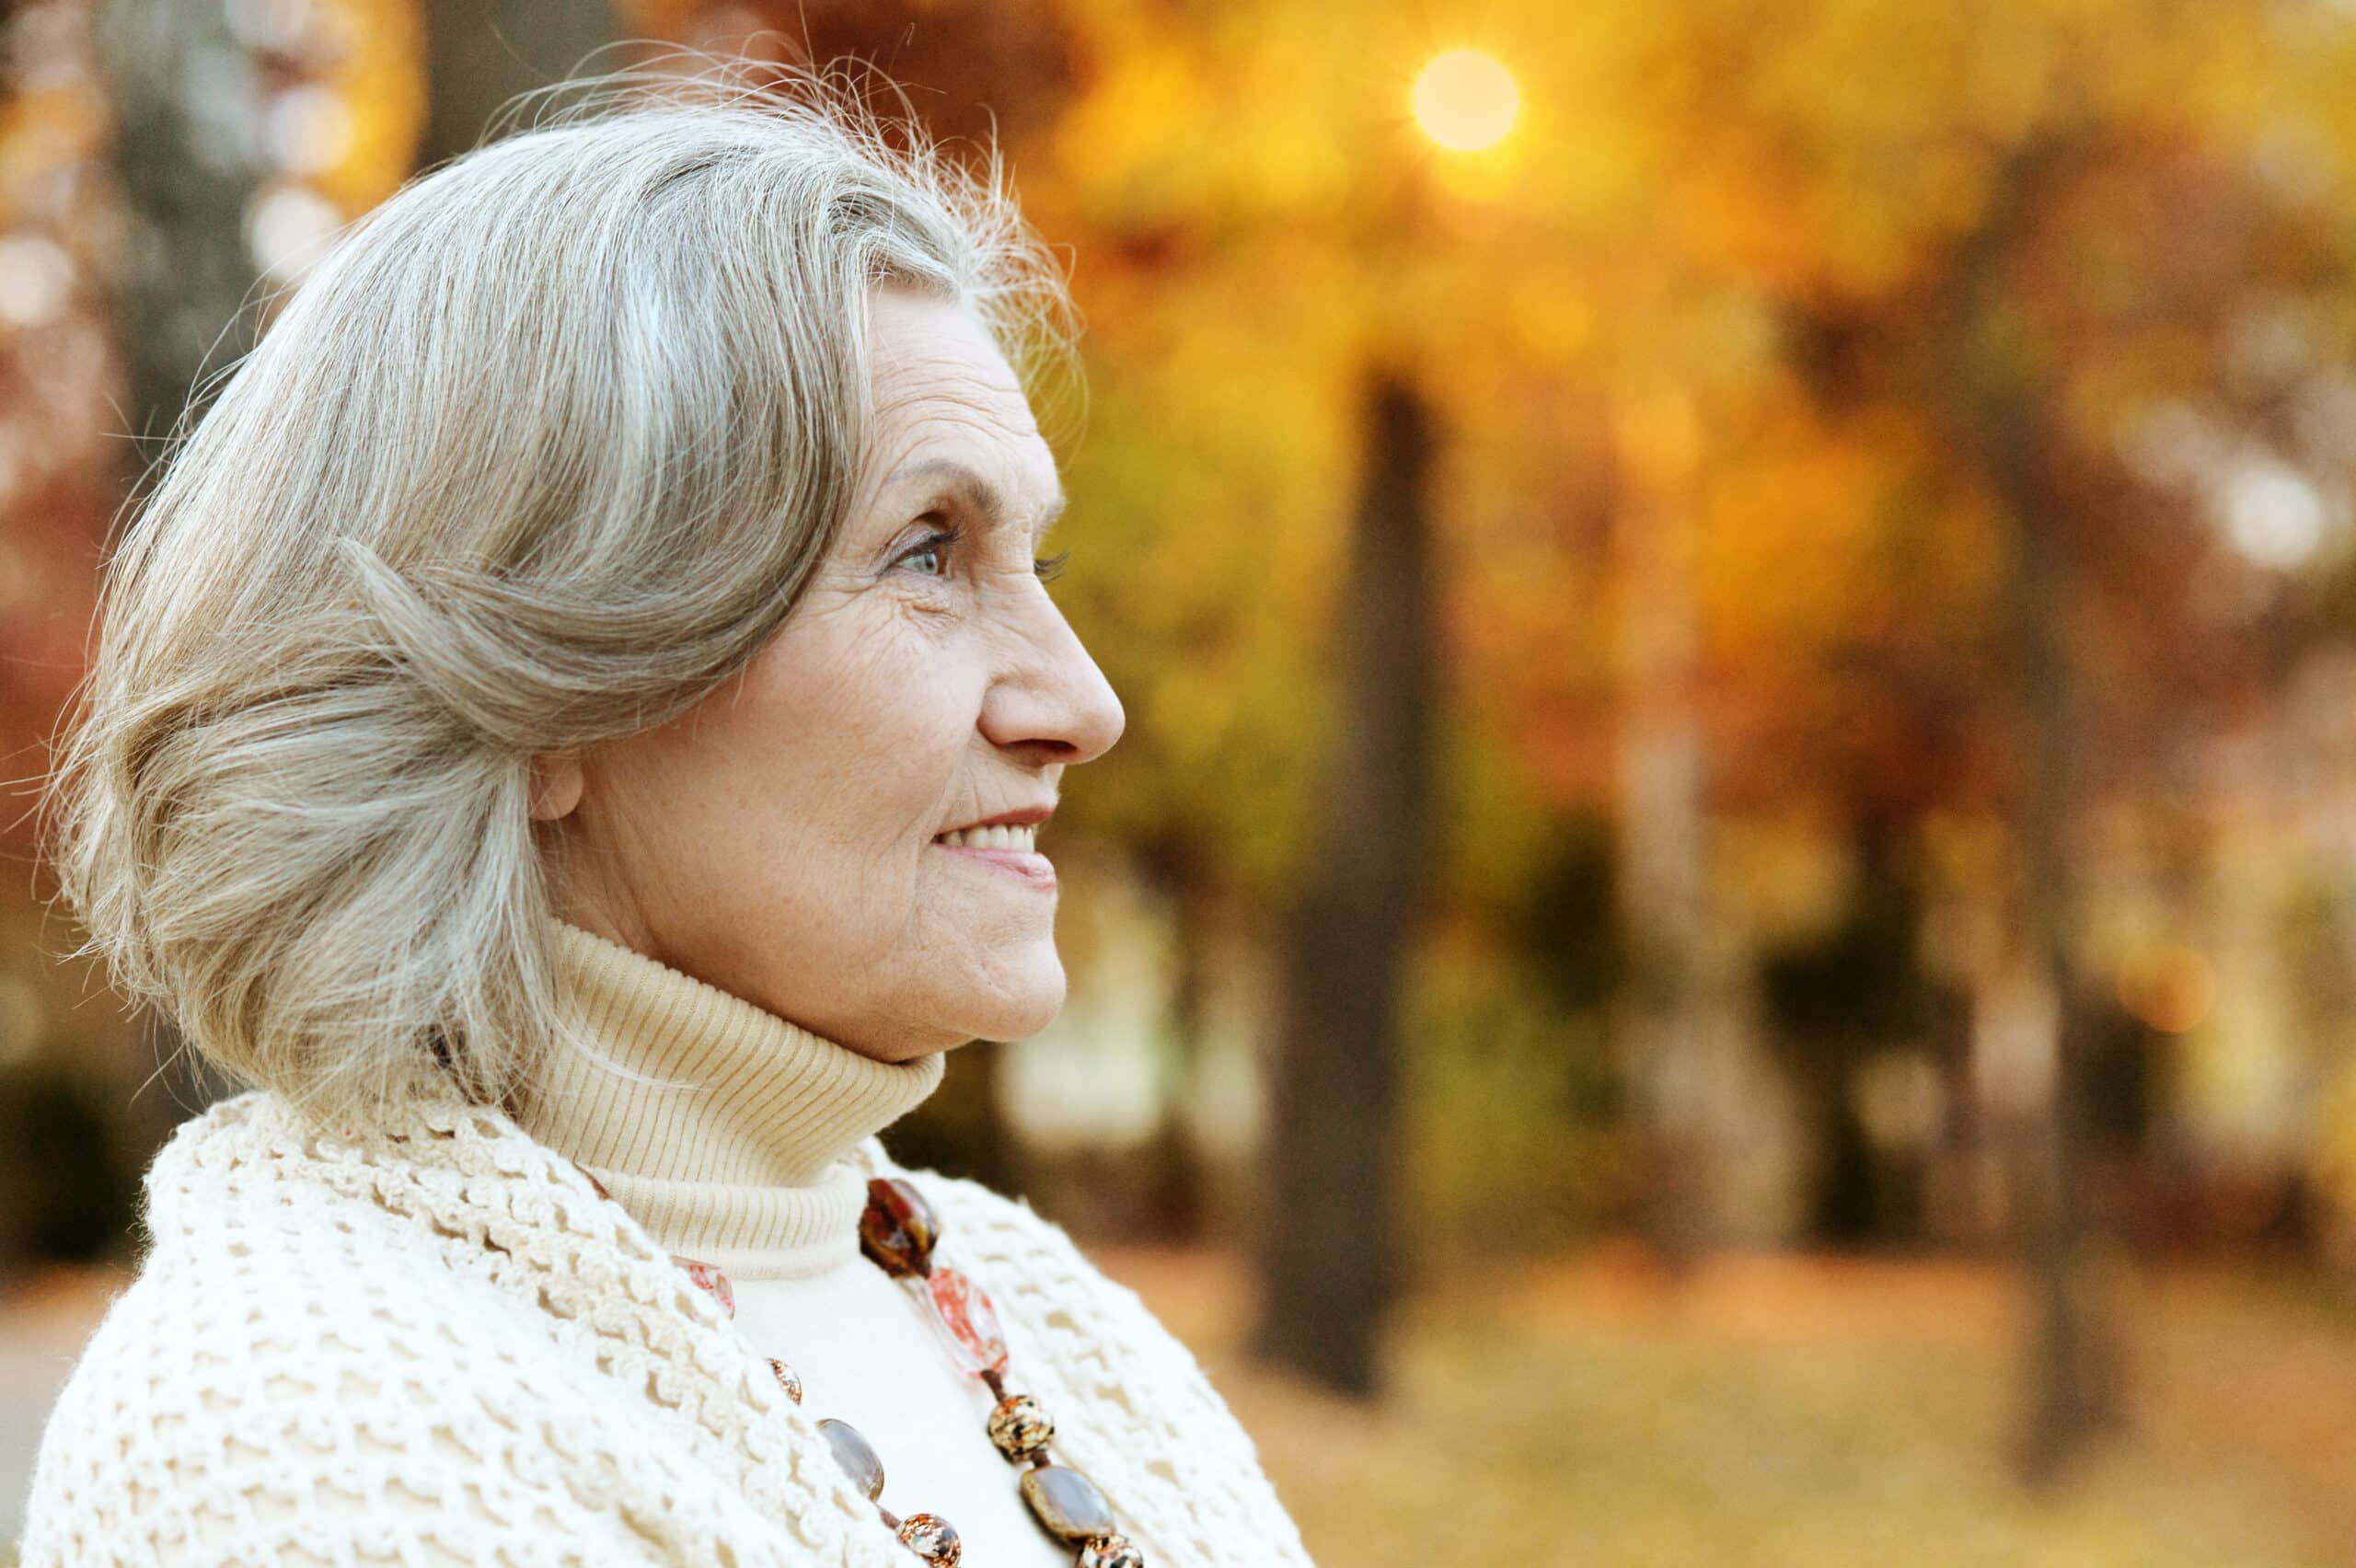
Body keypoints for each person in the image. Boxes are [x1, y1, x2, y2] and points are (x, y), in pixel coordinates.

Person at [18, 65, 1313, 1568]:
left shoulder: (1041, 1317)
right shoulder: (306, 1437)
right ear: (544, 686)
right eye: (924, 555)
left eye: (1039, 565)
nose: (1081, 704)